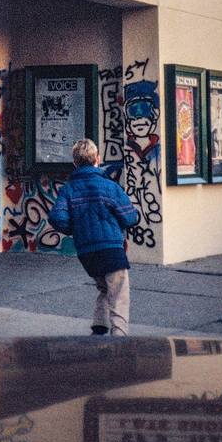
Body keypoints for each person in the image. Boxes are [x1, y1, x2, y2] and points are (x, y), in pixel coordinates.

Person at [48, 138, 139, 336]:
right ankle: (120, 335)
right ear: (98, 159)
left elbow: (57, 217)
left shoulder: (69, 189)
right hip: (111, 249)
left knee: (105, 288)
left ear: (75, 163)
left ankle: (99, 327)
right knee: (119, 292)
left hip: (87, 252)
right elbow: (130, 217)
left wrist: (75, 229)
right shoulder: (110, 187)